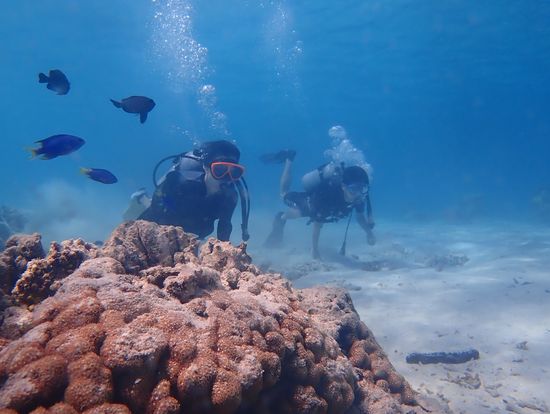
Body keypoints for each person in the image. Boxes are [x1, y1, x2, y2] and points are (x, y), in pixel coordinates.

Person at [128, 140, 250, 242]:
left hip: (194, 230)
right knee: (158, 211)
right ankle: (141, 198)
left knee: (202, 228)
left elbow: (225, 225)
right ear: (205, 167)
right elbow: (157, 207)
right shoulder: (181, 184)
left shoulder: (230, 197)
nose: (226, 178)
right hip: (168, 210)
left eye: (234, 172)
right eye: (220, 170)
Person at [264, 150, 375, 259]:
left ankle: (283, 216)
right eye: (353, 189)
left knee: (308, 212)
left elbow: (360, 217)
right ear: (343, 187)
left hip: (321, 207)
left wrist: (369, 233)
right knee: (285, 196)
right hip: (311, 202)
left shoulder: (359, 197)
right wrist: (314, 249)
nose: (358, 194)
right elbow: (318, 222)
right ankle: (289, 160)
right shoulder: (328, 195)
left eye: (362, 189)